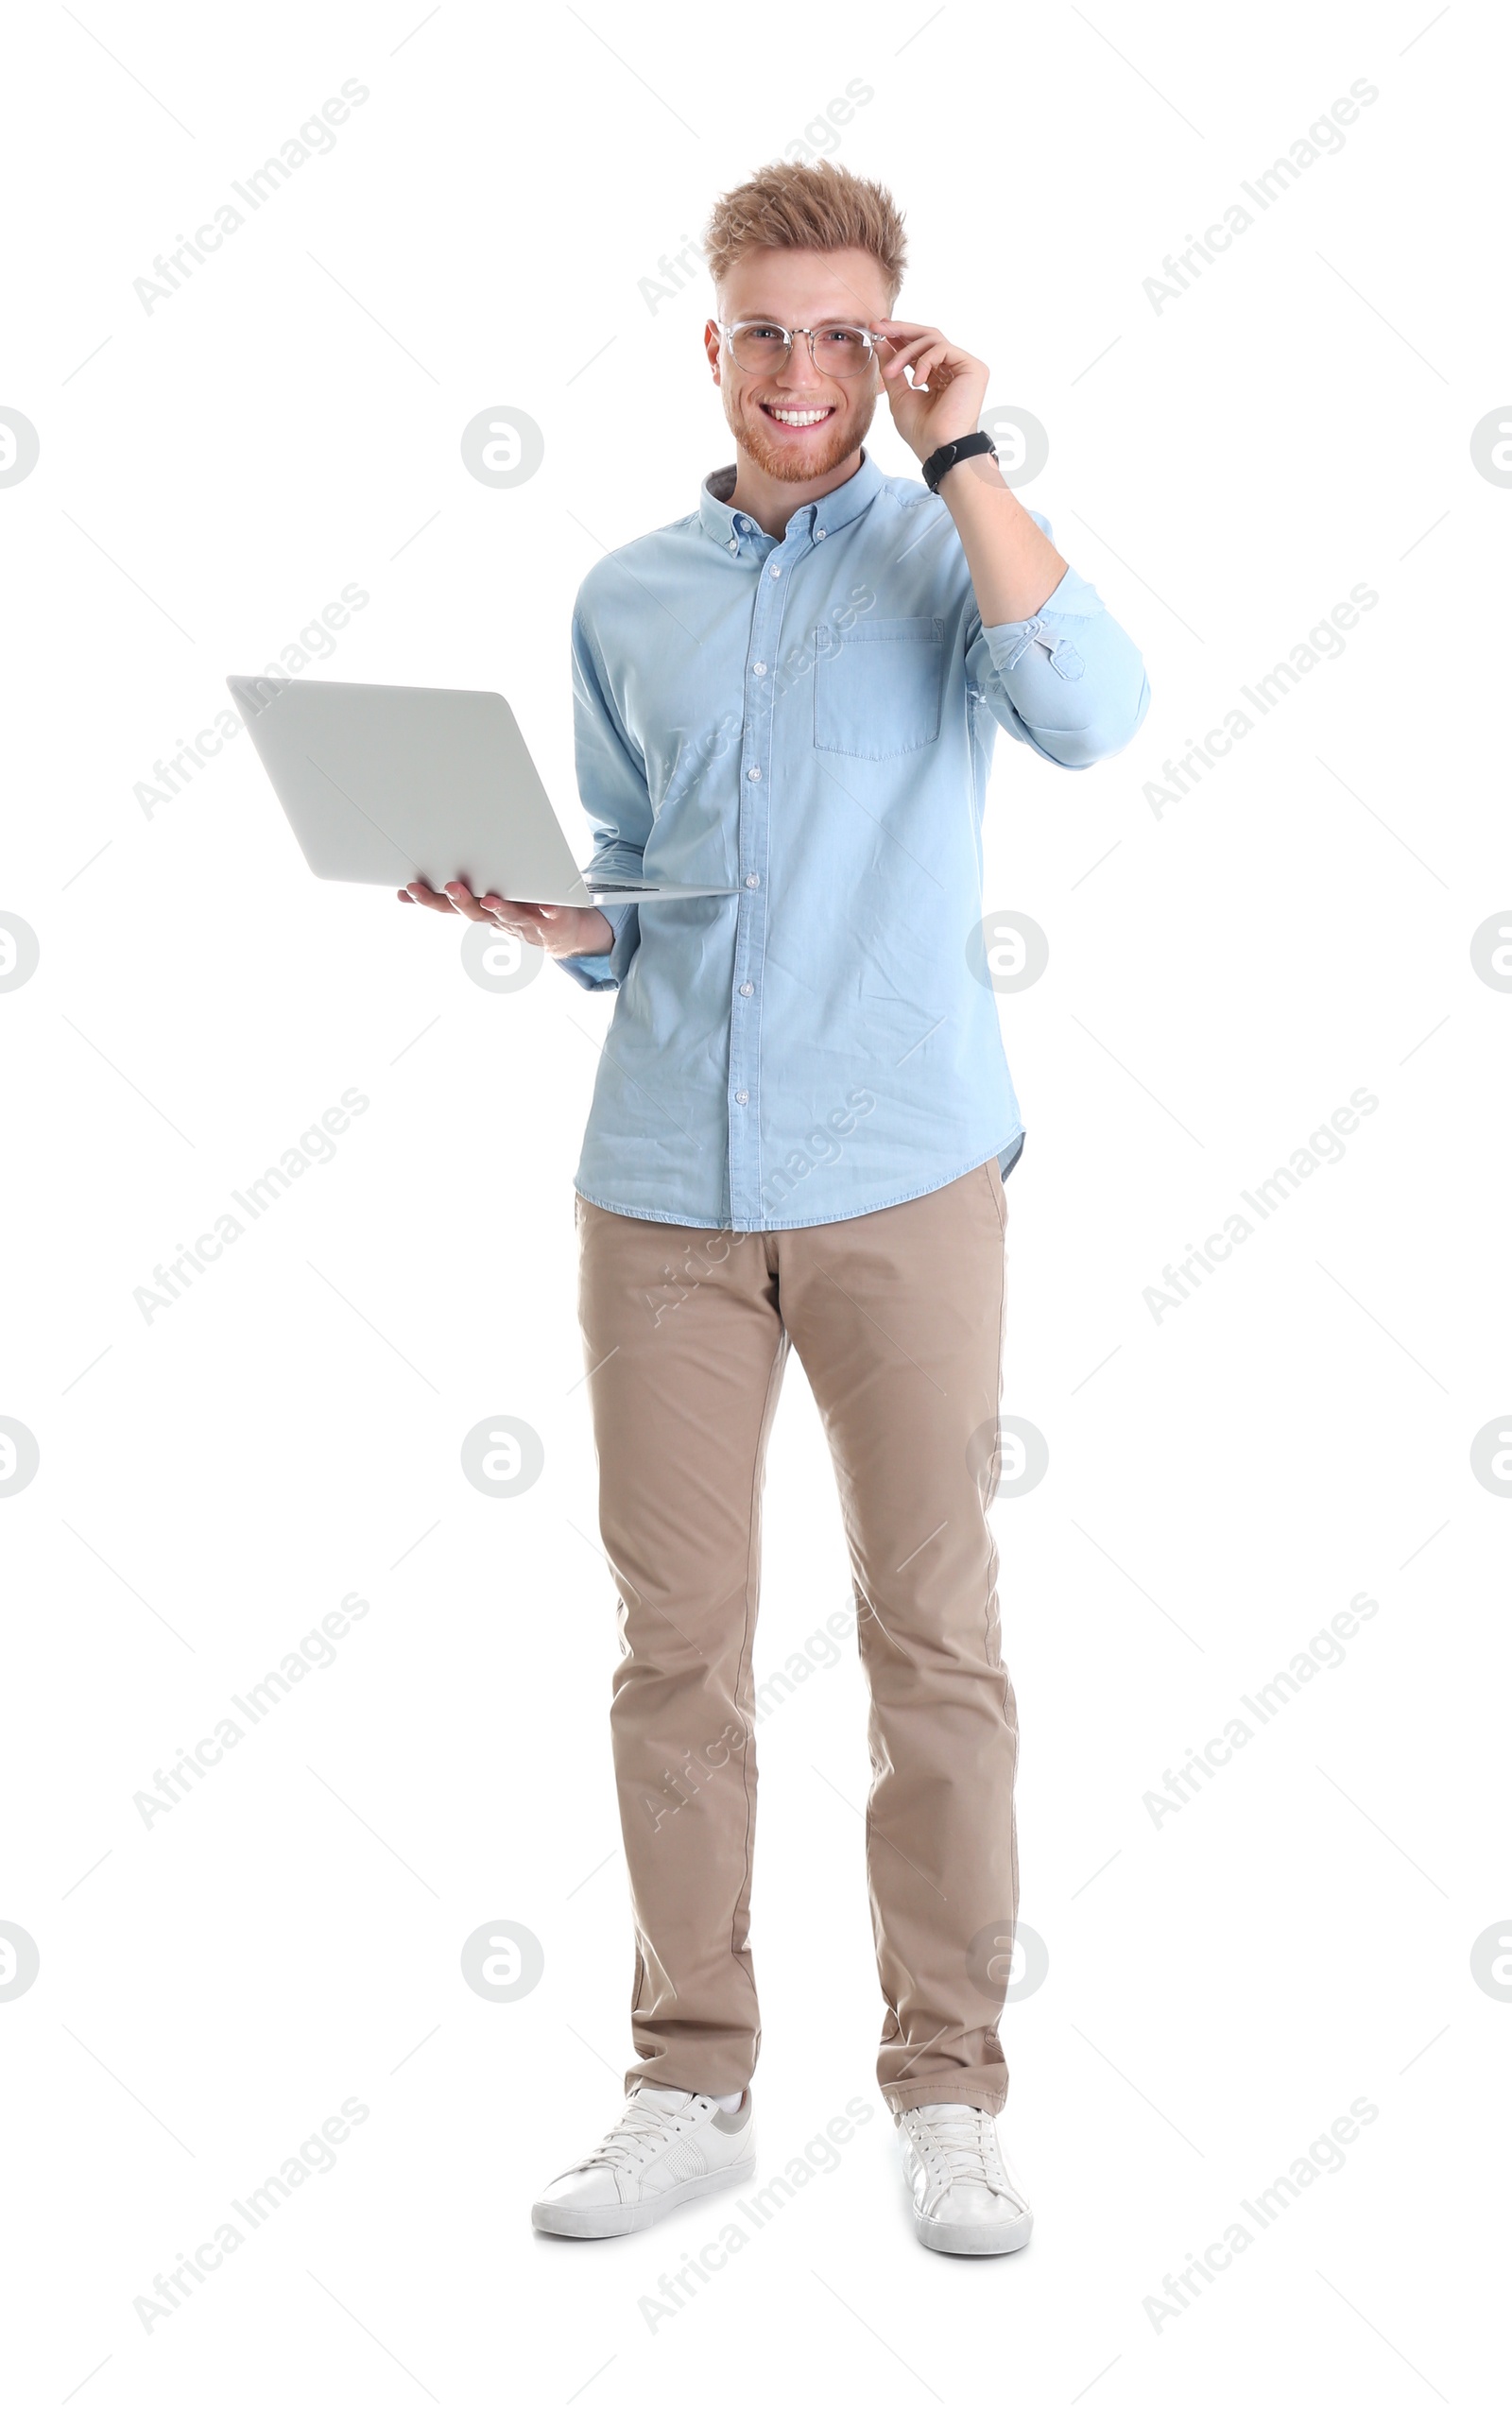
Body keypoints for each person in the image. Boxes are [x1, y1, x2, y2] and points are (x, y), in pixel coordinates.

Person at [401, 158, 1150, 2255]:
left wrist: (966, 446)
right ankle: (689, 2074)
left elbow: (1093, 715)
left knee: (931, 1639)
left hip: (904, 1171)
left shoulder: (947, 553)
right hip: (654, 1191)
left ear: (887, 342)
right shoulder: (624, 591)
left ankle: (948, 2087)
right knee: (673, 1652)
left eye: (843, 332)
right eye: (765, 329)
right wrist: (552, 912)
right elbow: (634, 892)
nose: (800, 368)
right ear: (710, 340)